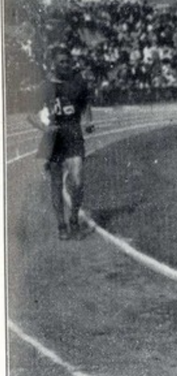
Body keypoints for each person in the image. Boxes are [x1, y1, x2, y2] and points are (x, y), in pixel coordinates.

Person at [28, 46, 96, 241]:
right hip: (54, 139)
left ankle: (74, 219)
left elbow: (86, 104)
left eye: (68, 62)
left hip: (74, 135)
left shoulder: (78, 83)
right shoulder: (45, 87)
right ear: (54, 64)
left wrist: (88, 121)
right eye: (61, 62)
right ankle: (61, 225)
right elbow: (30, 114)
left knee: (78, 181)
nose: (66, 65)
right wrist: (44, 128)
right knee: (56, 184)